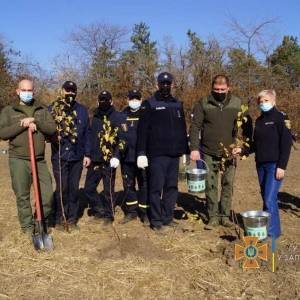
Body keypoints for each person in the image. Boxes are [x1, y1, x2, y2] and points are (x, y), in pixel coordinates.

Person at [189, 75, 252, 229]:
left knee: (228, 184)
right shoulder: (203, 103)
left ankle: (224, 216)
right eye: (216, 89)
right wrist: (194, 148)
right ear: (212, 88)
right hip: (208, 151)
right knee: (210, 184)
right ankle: (213, 216)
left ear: (228, 88)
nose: (219, 92)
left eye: (223, 89)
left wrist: (243, 147)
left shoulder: (237, 103)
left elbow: (248, 127)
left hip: (230, 153)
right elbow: (195, 126)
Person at [0, 79, 56, 238]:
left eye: (29, 90)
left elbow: (51, 129)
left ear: (33, 91)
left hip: (39, 160)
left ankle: (39, 220)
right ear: (17, 91)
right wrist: (22, 124)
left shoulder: (41, 109)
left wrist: (35, 120)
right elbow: (2, 133)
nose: (27, 93)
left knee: (47, 195)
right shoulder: (9, 110)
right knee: (22, 195)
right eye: (23, 90)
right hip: (18, 159)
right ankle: (27, 228)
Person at [233, 90, 292, 239]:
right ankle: (272, 229)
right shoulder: (259, 121)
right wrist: (243, 150)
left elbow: (286, 144)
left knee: (269, 198)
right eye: (260, 101)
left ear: (273, 101)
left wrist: (282, 166)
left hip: (274, 165)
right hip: (260, 165)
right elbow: (255, 145)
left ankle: (271, 233)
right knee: (266, 198)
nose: (262, 104)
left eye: (265, 100)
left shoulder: (281, 118)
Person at [137, 72, 189, 232]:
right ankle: (156, 220)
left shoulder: (177, 104)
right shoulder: (149, 104)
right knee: (155, 188)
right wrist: (141, 153)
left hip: (174, 154)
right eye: (162, 83)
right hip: (157, 155)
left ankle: (168, 217)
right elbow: (142, 130)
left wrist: (185, 150)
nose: (165, 86)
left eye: (168, 83)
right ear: (157, 84)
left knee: (172, 187)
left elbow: (182, 129)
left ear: (172, 84)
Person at [50, 81, 91, 231]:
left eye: (73, 90)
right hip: (60, 156)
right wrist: (53, 136)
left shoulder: (82, 110)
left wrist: (87, 154)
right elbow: (46, 128)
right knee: (62, 187)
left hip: (77, 156)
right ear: (62, 91)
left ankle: (72, 219)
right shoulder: (54, 108)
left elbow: (87, 133)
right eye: (68, 90)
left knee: (74, 188)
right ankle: (60, 218)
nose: (70, 93)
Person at [83, 91, 126, 226]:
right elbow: (89, 137)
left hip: (109, 160)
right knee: (88, 188)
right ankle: (99, 209)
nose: (104, 102)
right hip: (95, 159)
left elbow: (122, 139)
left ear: (111, 101)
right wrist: (88, 154)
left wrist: (117, 156)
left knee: (108, 190)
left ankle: (109, 214)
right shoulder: (94, 117)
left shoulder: (117, 117)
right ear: (98, 101)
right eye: (101, 99)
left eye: (106, 99)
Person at [119, 89, 149, 224]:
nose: (134, 101)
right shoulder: (122, 114)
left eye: (137, 98)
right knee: (128, 185)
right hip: (127, 158)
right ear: (128, 99)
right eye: (132, 98)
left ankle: (144, 212)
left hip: (142, 158)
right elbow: (119, 135)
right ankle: (131, 211)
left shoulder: (146, 113)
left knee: (144, 184)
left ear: (141, 100)